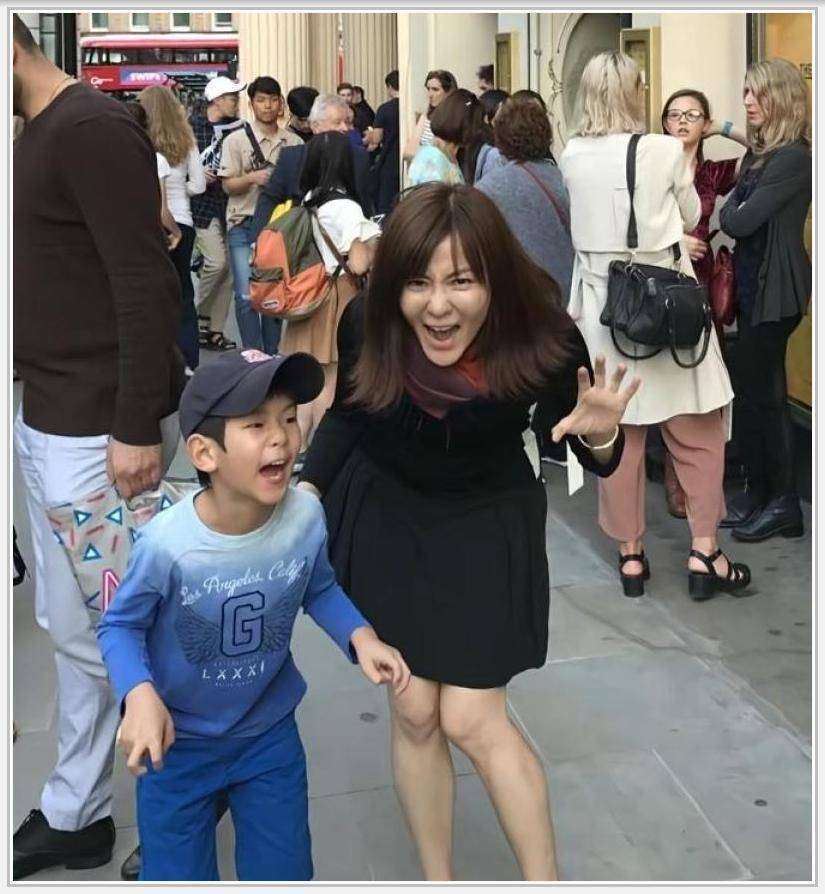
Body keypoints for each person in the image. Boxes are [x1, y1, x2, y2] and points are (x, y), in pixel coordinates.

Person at [298, 182, 636, 880]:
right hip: (390, 520)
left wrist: (602, 436)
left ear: (494, 279)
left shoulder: (540, 336)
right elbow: (350, 414)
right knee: (415, 710)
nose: (438, 306)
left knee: (471, 719)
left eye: (460, 281)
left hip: (486, 520)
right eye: (418, 283)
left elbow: (585, 447)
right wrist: (306, 492)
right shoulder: (368, 322)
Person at [97, 350, 410, 881]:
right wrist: (140, 695)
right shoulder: (168, 544)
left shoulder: (305, 516)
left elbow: (319, 587)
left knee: (283, 872)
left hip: (268, 738)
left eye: (289, 418)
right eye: (256, 424)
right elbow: (120, 626)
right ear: (205, 452)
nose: (281, 438)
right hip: (178, 746)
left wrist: (360, 636)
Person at [12, 14, 184, 880]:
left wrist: (134, 421)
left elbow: (143, 281)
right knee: (73, 627)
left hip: (94, 432)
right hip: (51, 416)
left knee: (125, 631)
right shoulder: (43, 131)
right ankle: (77, 810)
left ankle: (178, 807)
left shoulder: (88, 127)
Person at [559, 51, 751, 600]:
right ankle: (705, 550)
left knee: (619, 434)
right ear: (633, 93)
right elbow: (691, 216)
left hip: (606, 314)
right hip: (668, 309)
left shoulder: (571, 154)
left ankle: (631, 556)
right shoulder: (663, 150)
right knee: (699, 429)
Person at [718, 58, 811, 542]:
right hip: (756, 286)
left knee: (768, 398)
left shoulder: (793, 157)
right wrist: (736, 205)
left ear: (782, 98)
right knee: (755, 394)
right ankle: (761, 495)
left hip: (777, 291)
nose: (748, 101)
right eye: (746, 92)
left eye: (758, 93)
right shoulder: (762, 155)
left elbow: (737, 219)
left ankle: (784, 505)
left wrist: (735, 206)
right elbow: (734, 209)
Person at [658, 88, 748, 518]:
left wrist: (724, 128)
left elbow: (763, 151)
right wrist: (676, 240)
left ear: (704, 124)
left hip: (704, 280)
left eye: (692, 115)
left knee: (707, 375)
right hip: (665, 275)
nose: (682, 121)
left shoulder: (712, 172)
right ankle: (673, 476)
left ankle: (705, 477)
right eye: (674, 114)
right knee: (669, 374)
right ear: (663, 123)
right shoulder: (652, 166)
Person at [280, 131, 381, 455]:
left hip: (308, 296)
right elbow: (359, 262)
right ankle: (321, 451)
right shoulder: (344, 206)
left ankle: (297, 448)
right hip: (336, 297)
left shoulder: (309, 200)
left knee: (307, 381)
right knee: (330, 379)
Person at [219, 76, 303, 353]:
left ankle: (271, 354)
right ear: (251, 104)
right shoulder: (236, 140)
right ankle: (252, 354)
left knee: (273, 292)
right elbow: (227, 185)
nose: (267, 106)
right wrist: (252, 178)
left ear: (281, 103)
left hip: (279, 227)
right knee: (246, 296)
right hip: (243, 224)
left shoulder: (294, 142)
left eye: (273, 100)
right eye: (261, 100)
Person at [476, 94, 573, 296]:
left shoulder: (489, 188)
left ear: (500, 136)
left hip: (517, 294)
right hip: (564, 291)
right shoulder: (563, 177)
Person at [140, 85, 207, 372]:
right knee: (183, 293)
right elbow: (199, 185)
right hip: (182, 221)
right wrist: (180, 191)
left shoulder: (138, 141)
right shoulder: (186, 140)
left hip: (148, 223)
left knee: (152, 294)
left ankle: (158, 357)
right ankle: (188, 360)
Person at [249, 94, 374, 241]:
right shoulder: (292, 158)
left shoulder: (359, 157)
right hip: (300, 241)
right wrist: (257, 240)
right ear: (315, 127)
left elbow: (365, 202)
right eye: (337, 122)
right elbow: (269, 199)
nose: (344, 128)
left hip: (346, 241)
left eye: (347, 122)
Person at [189, 75, 247, 353]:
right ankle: (190, 314)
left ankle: (213, 329)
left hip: (231, 204)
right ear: (217, 100)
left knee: (230, 274)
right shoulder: (191, 128)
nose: (236, 102)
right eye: (232, 98)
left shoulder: (240, 129)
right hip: (200, 206)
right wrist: (198, 174)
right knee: (217, 263)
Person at [124, 100, 182, 252]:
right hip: (146, 235)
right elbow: (161, 210)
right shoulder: (155, 159)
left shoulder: (110, 159)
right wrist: (177, 233)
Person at [365, 69, 400, 215]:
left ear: (390, 87)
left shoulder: (385, 109)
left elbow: (377, 138)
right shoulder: (409, 107)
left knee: (386, 203)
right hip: (405, 160)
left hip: (389, 160)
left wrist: (369, 135)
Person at [402, 69, 457, 162]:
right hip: (423, 168)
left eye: (435, 89)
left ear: (448, 92)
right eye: (428, 89)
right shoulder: (427, 115)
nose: (430, 94)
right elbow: (408, 153)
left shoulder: (456, 117)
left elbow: (448, 156)